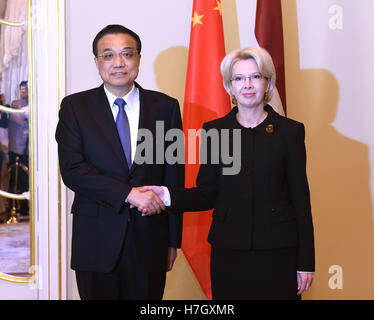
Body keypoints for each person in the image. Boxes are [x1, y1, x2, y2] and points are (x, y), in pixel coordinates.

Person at [140, 47, 315, 300]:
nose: (247, 84)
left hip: (280, 253)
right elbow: (206, 194)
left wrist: (306, 262)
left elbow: (301, 201)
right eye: (239, 78)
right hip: (229, 253)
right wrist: (166, 195)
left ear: (268, 83)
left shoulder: (290, 132)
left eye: (256, 77)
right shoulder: (216, 131)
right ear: (229, 87)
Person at [55, 25, 184, 300]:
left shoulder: (165, 107)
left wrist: (172, 240)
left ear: (138, 58)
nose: (118, 63)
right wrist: (129, 194)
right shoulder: (75, 108)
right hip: (96, 241)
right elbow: (73, 171)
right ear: (97, 62)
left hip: (150, 239)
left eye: (127, 54)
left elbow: (174, 174)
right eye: (108, 55)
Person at [7, 81, 29, 217]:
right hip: (16, 149)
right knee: (14, 180)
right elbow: (20, 118)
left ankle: (24, 209)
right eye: (24, 89)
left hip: (27, 150)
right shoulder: (16, 104)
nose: (26, 91)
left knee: (25, 180)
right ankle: (12, 209)